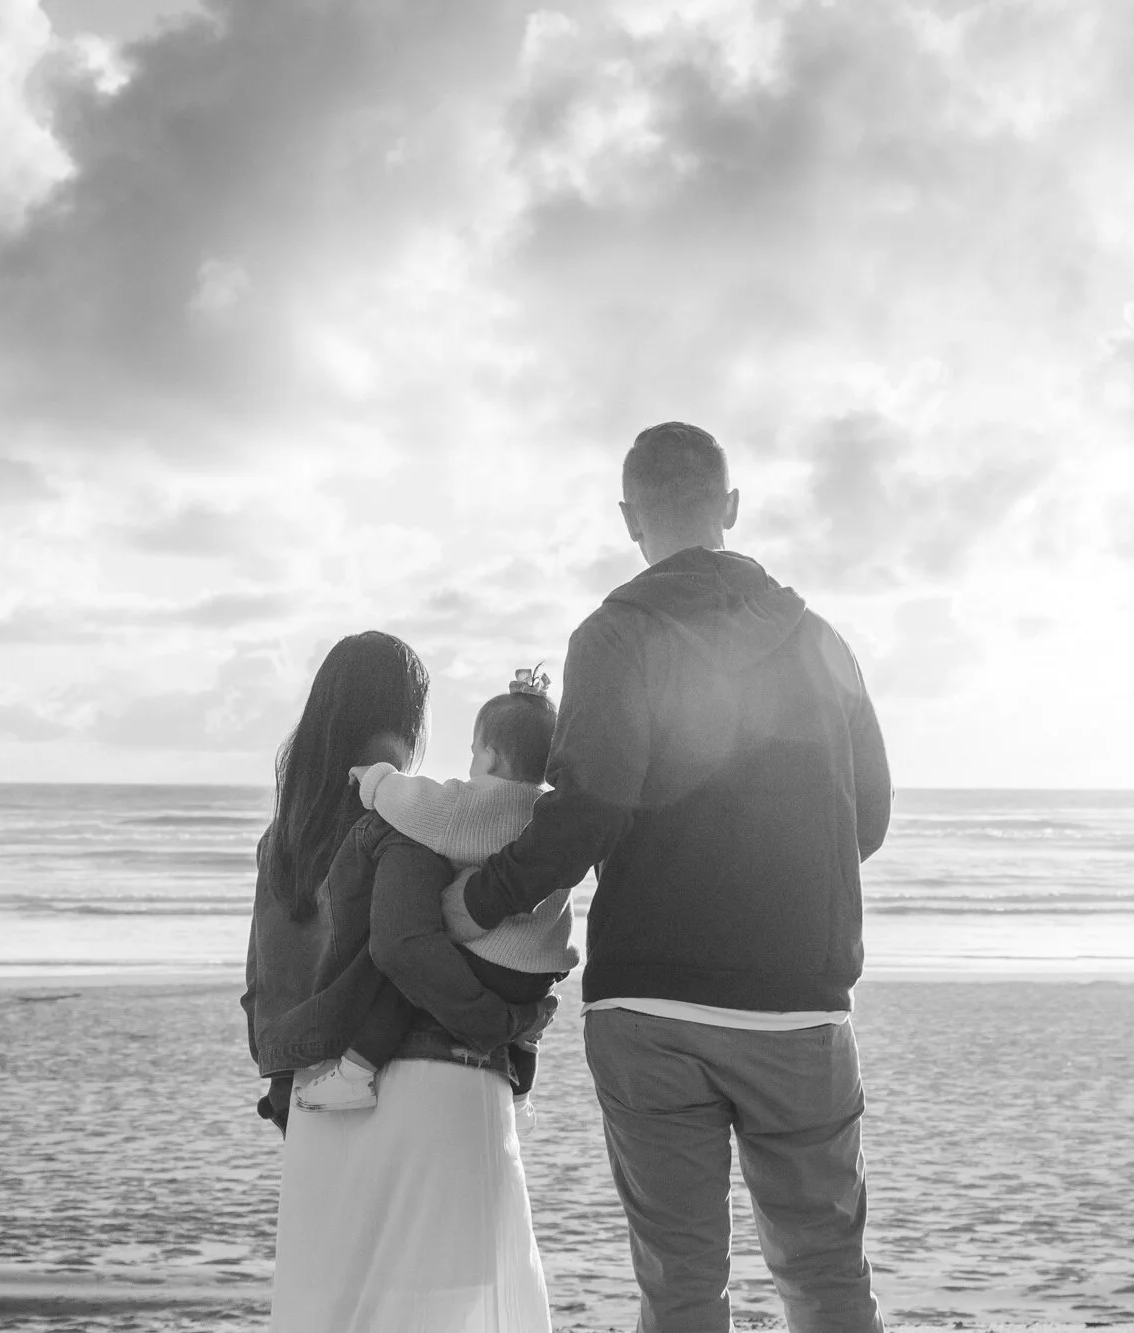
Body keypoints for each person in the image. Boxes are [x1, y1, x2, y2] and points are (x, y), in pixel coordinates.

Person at [446, 422, 894, 1331]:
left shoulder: (613, 636)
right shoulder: (822, 642)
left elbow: (589, 807)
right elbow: (871, 819)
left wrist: (479, 898)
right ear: (729, 507)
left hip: (651, 1007)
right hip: (799, 1004)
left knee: (682, 1287)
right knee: (827, 1277)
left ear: (628, 518)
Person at [241, 630, 556, 1333]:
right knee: (457, 1307)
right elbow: (409, 951)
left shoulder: (283, 837)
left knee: (330, 1312)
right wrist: (506, 1024)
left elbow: (264, 983)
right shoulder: (407, 814)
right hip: (430, 1081)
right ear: (411, 715)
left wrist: (285, 1083)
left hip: (316, 1099)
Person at [295, 669, 575, 1118]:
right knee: (524, 1024)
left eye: (472, 751)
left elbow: (418, 804)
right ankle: (521, 1091)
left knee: (405, 977)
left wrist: (377, 778)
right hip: (540, 970)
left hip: (491, 960)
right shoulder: (550, 812)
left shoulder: (475, 803)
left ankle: (355, 1074)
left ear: (491, 755)